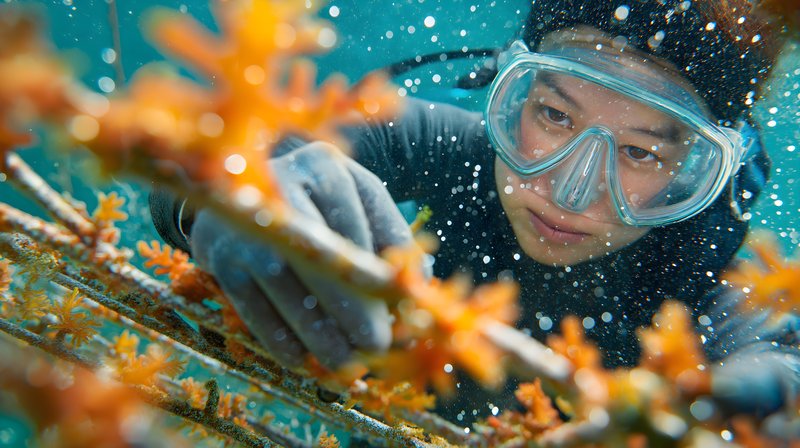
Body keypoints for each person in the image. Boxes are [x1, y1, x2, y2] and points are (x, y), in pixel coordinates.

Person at [151, 0, 799, 424]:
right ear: (508, 91)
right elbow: (227, 144)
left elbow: (778, 359)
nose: (571, 192)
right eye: (553, 114)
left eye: (639, 153)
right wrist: (230, 187)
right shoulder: (447, 149)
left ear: (707, 173)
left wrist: (771, 402)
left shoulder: (706, 280)